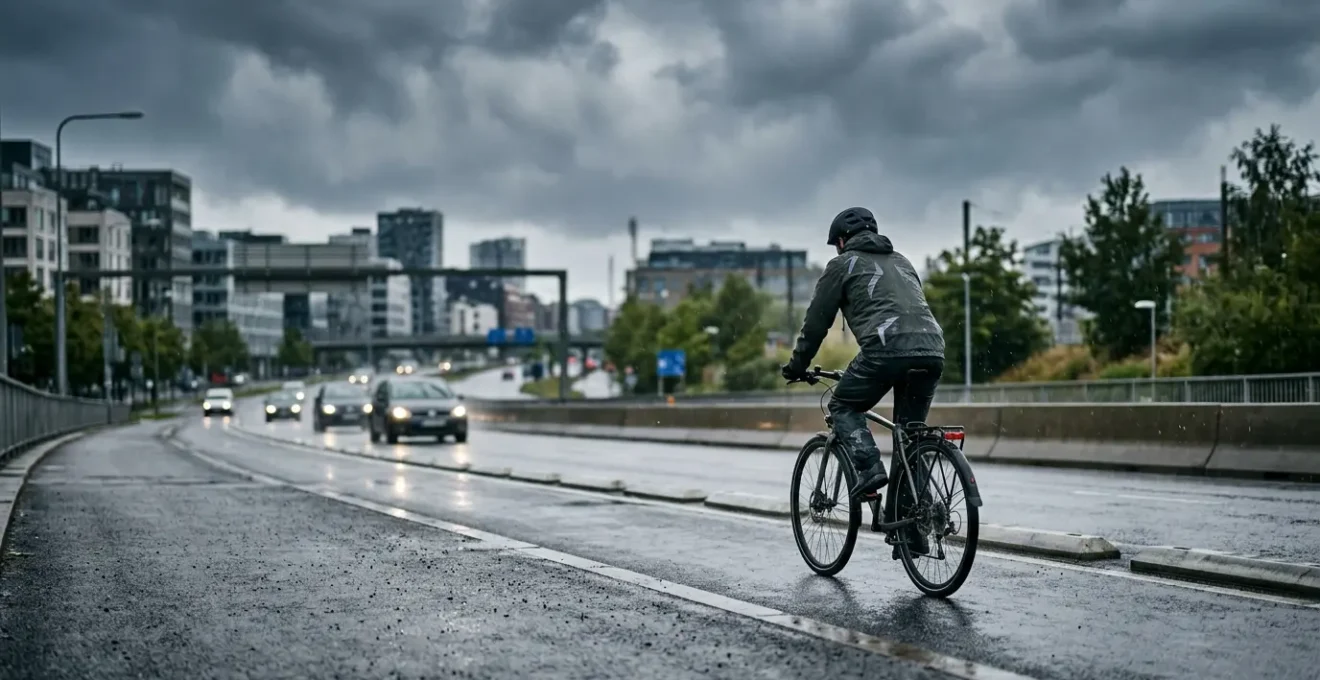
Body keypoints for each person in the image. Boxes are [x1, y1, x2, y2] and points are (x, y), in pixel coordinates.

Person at [780, 207, 945, 556]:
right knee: (910, 435)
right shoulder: (902, 261)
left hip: (886, 350)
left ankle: (870, 471)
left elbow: (815, 324)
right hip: (932, 349)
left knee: (843, 404)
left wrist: (797, 366)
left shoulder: (842, 265)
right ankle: (913, 533)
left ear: (841, 241)